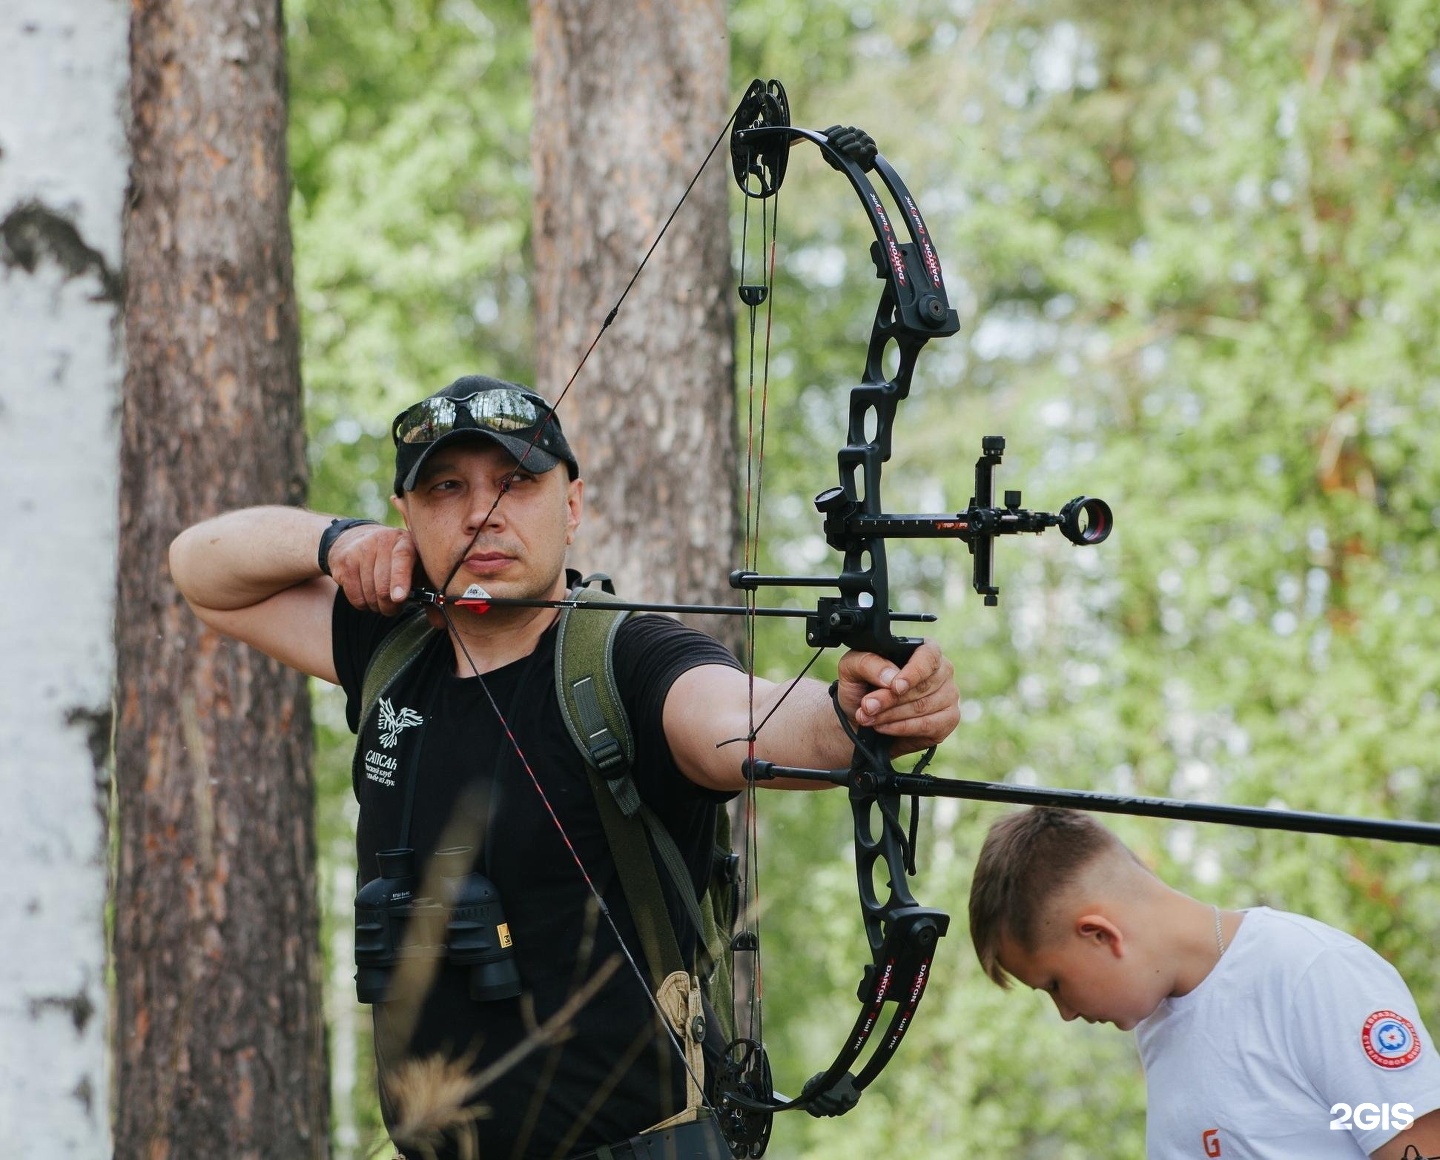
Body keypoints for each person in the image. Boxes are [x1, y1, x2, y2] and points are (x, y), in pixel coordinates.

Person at [169, 374, 961, 1160]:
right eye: (446, 487)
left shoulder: (625, 663)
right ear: (407, 517)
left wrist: (859, 714)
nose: (482, 510)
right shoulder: (391, 650)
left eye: (516, 481)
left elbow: (748, 723)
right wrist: (339, 540)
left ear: (572, 506)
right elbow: (202, 571)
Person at [968, 806, 1440, 1159]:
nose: (1066, 1012)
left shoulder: (1314, 974)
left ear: (1101, 935)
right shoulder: (1156, 1023)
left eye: (1054, 984)